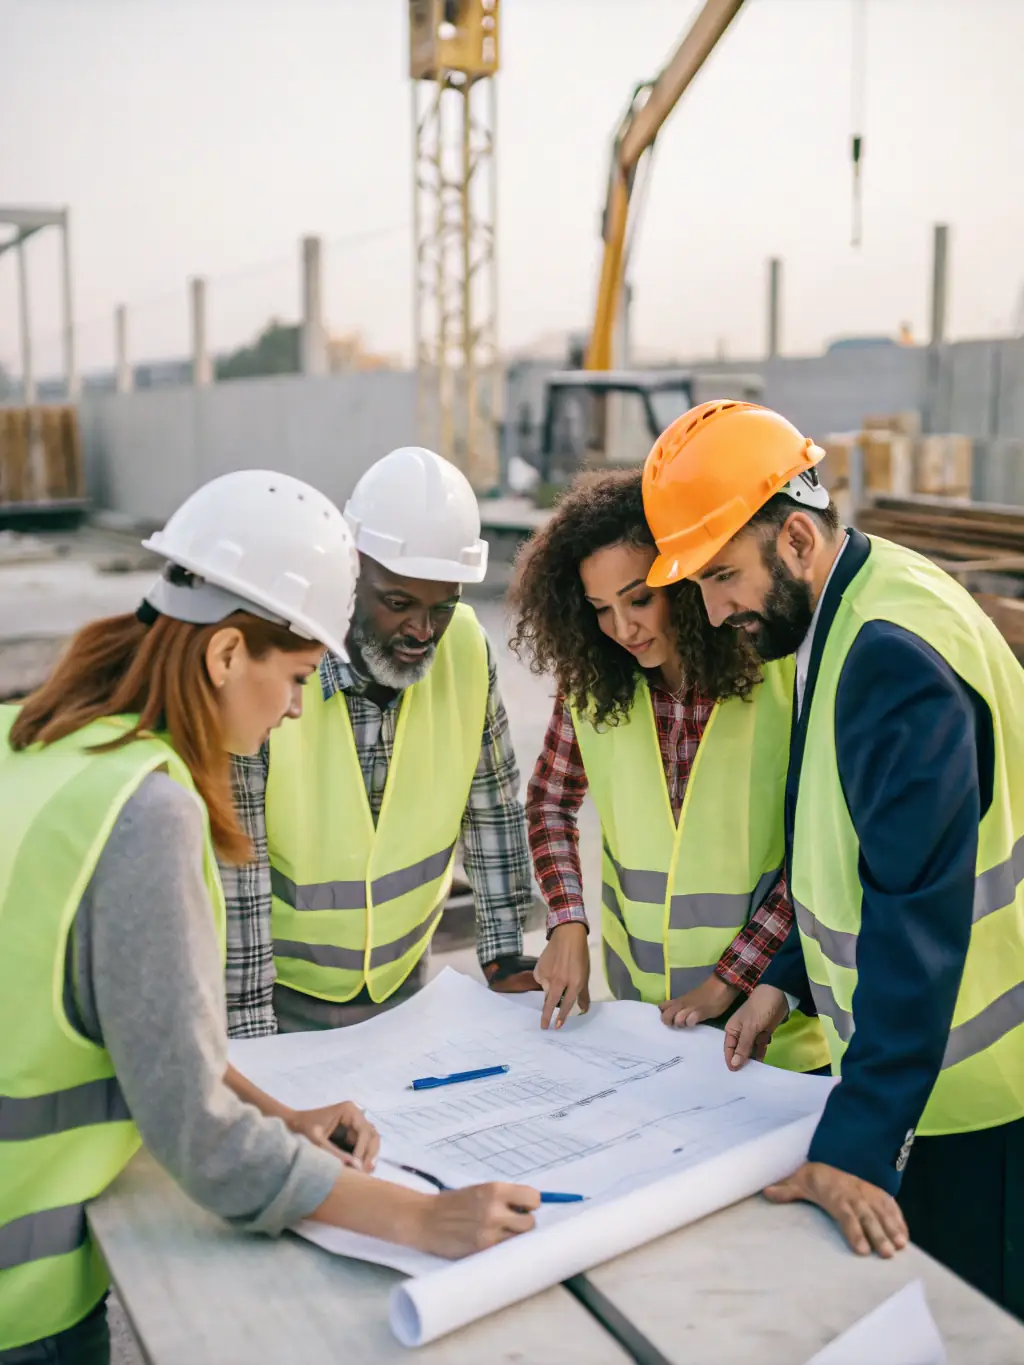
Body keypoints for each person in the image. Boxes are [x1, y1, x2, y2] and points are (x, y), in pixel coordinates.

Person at [0, 470, 540, 1364]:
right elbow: (200, 1141)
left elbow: (146, 1034)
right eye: (292, 676)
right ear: (223, 658)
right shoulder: (147, 813)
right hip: (24, 1297)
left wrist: (277, 1112)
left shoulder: (40, 738)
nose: (297, 707)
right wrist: (423, 1216)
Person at [641, 398, 1024, 1317]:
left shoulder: (888, 657)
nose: (714, 606)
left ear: (799, 539)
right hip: (939, 1085)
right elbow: (840, 847)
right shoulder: (855, 610)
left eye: (724, 574)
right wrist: (784, 977)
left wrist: (851, 1149)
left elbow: (913, 923)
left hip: (977, 1102)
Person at [508, 469, 829, 1074]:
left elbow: (815, 855)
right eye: (600, 609)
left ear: (684, 581)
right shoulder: (590, 685)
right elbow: (550, 801)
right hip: (646, 1030)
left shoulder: (783, 675)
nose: (622, 629)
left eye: (638, 599)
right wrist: (566, 921)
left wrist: (731, 979)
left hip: (773, 1040)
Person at [224, 446, 540, 1038]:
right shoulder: (278, 666)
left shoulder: (467, 650)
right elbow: (237, 868)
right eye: (398, 603)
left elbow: (493, 808)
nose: (423, 631)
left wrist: (504, 951)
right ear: (349, 571)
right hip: (277, 995)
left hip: (404, 988)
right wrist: (249, 1032)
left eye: (442, 607)